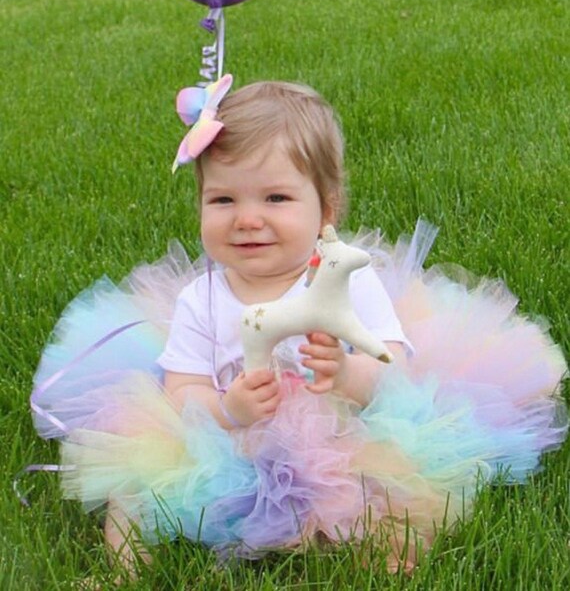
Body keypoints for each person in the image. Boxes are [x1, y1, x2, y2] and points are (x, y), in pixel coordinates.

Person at [31, 80, 568, 576]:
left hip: (341, 437)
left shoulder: (349, 283)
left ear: (325, 209)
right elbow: (181, 390)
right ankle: (119, 572)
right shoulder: (203, 298)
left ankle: (388, 564)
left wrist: (346, 376)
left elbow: (396, 372)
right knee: (135, 480)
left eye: (276, 198)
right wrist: (227, 409)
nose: (246, 218)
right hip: (232, 445)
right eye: (223, 199)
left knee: (386, 494)